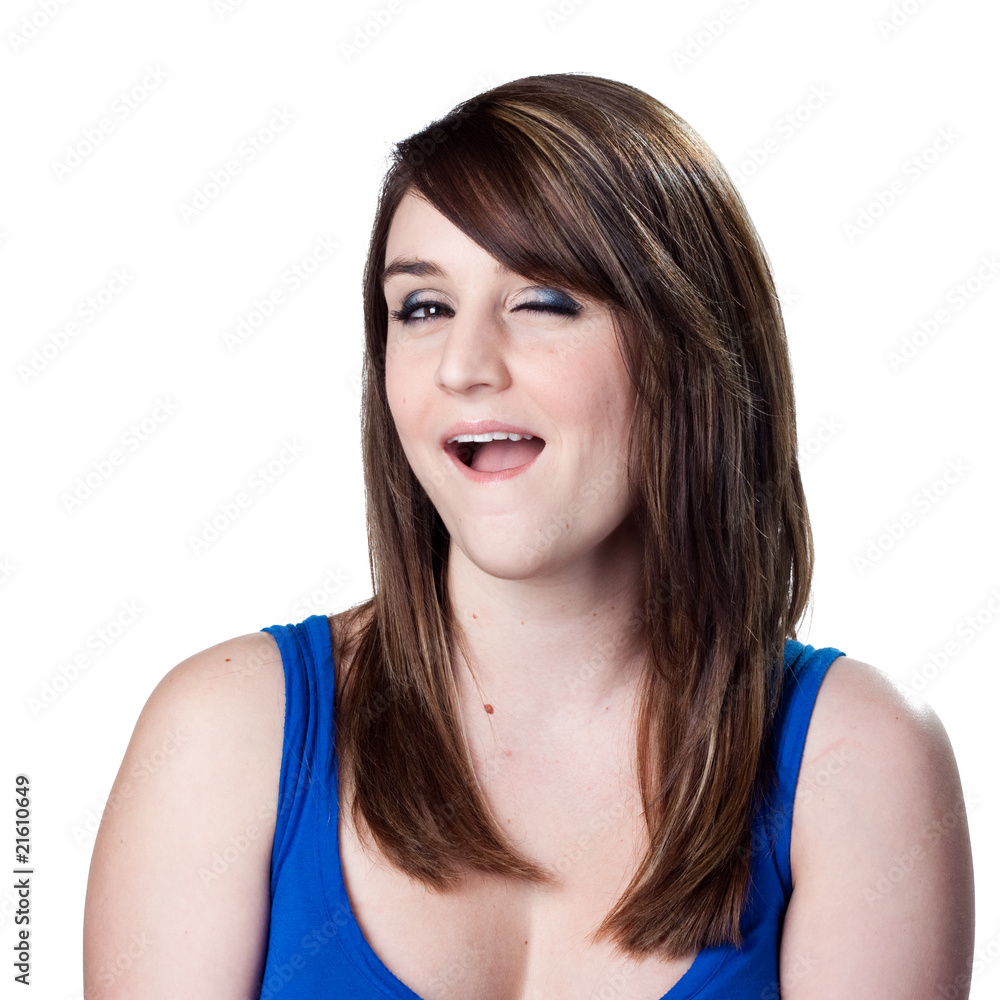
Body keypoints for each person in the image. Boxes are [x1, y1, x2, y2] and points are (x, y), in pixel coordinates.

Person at [82, 73, 975, 1000]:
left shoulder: (857, 760)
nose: (463, 365)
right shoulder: (223, 735)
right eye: (423, 308)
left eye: (544, 300)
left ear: (689, 349)